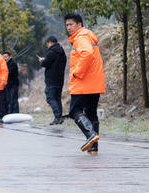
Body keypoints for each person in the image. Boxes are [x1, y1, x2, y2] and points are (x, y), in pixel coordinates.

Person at [64, 13, 105, 154]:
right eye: (67, 25)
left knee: (75, 111)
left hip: (83, 83)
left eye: (71, 24)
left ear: (79, 24)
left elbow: (87, 54)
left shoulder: (81, 38)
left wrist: (77, 72)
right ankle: (93, 148)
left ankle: (91, 135)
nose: (68, 27)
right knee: (91, 112)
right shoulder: (88, 36)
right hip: (94, 83)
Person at [38, 36, 67, 125]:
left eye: (47, 43)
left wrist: (42, 61)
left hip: (51, 79)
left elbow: (46, 63)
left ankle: (57, 117)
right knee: (57, 98)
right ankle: (59, 118)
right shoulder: (62, 52)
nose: (47, 45)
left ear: (50, 42)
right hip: (60, 79)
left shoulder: (51, 52)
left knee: (50, 98)